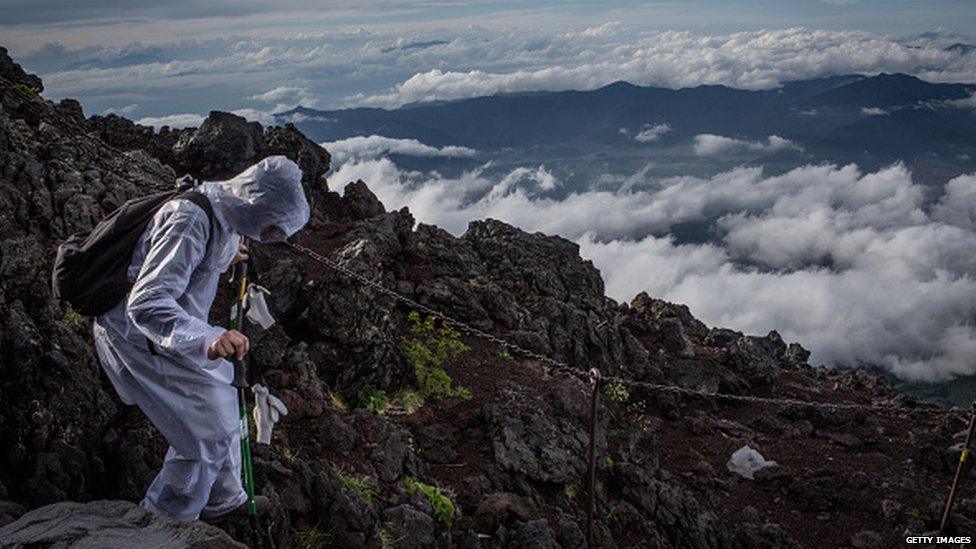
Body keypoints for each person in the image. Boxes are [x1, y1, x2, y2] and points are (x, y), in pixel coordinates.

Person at [92, 156, 310, 522]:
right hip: (137, 338)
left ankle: (223, 499)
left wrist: (226, 254)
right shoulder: (189, 220)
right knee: (206, 433)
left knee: (222, 399)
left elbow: (197, 256)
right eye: (272, 228)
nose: (272, 237)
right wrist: (209, 338)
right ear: (255, 203)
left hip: (172, 335)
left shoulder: (221, 210)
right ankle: (164, 522)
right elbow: (146, 302)